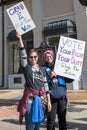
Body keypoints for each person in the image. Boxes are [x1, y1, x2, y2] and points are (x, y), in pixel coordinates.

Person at [16, 32, 51, 130]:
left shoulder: (42, 70)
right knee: (31, 126)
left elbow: (46, 86)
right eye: (31, 57)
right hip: (31, 102)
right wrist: (20, 39)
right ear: (28, 58)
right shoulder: (26, 68)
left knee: (38, 126)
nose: (33, 59)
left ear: (38, 57)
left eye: (35, 57)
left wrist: (49, 102)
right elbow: (22, 53)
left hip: (41, 101)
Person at [43, 50, 73, 130]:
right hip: (52, 99)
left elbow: (68, 79)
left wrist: (74, 75)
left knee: (62, 120)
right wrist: (50, 77)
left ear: (53, 57)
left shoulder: (60, 66)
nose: (49, 58)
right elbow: (44, 84)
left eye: (50, 56)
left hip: (62, 98)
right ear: (45, 58)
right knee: (51, 121)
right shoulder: (44, 69)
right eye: (47, 57)